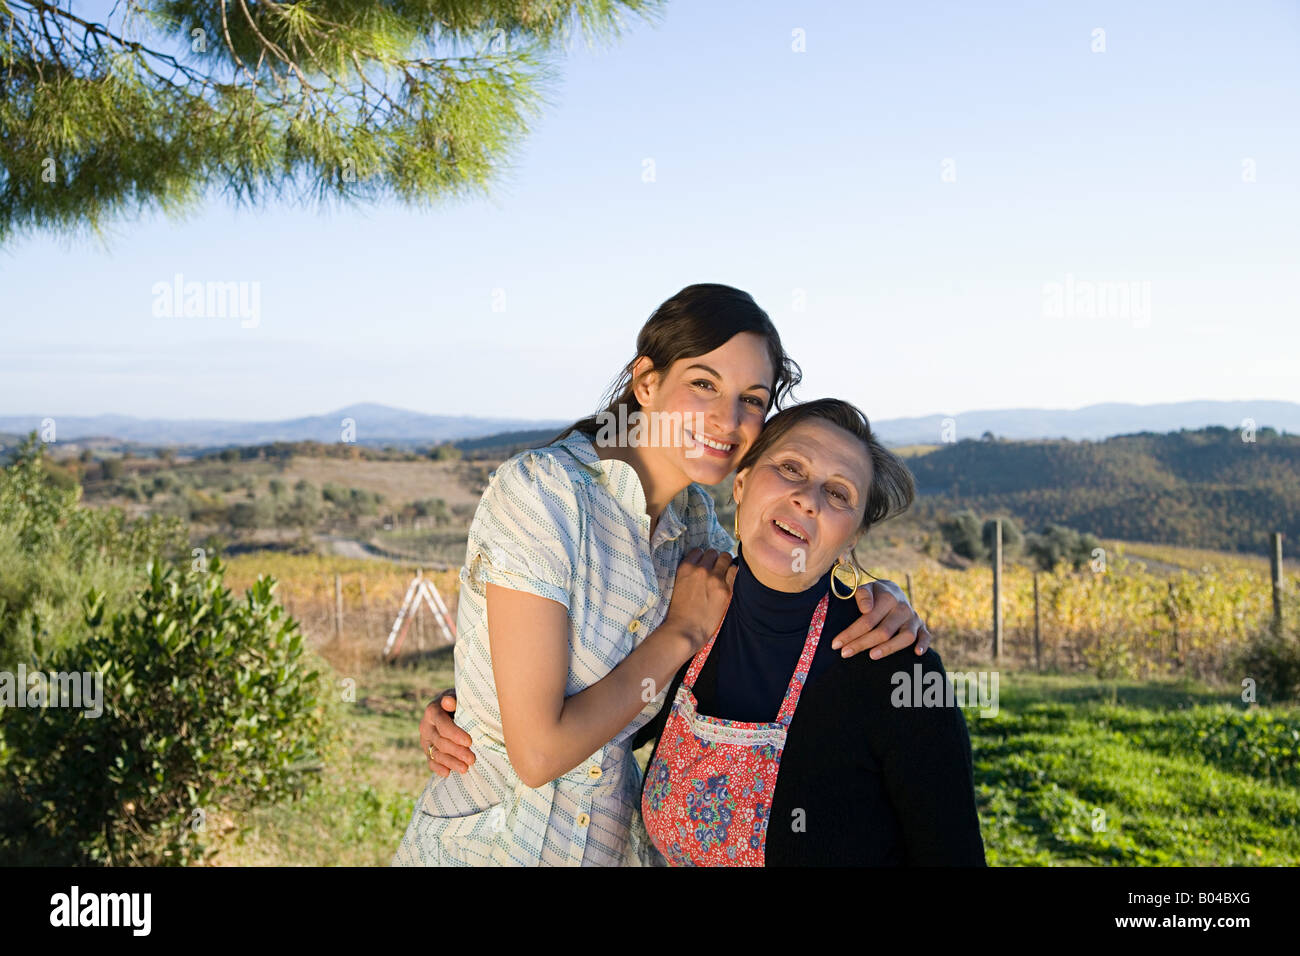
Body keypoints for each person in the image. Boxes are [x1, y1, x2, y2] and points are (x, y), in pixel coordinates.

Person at [394, 284, 932, 866]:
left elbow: (786, 582)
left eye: (752, 399)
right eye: (705, 383)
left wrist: (881, 598)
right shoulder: (544, 493)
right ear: (647, 382)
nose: (728, 419)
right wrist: (678, 633)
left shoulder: (697, 529)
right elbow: (539, 753)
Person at [636, 398, 985, 865]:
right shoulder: (682, 612)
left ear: (852, 537)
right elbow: (604, 740)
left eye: (839, 493)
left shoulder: (897, 668)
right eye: (790, 467)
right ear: (741, 483)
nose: (808, 498)